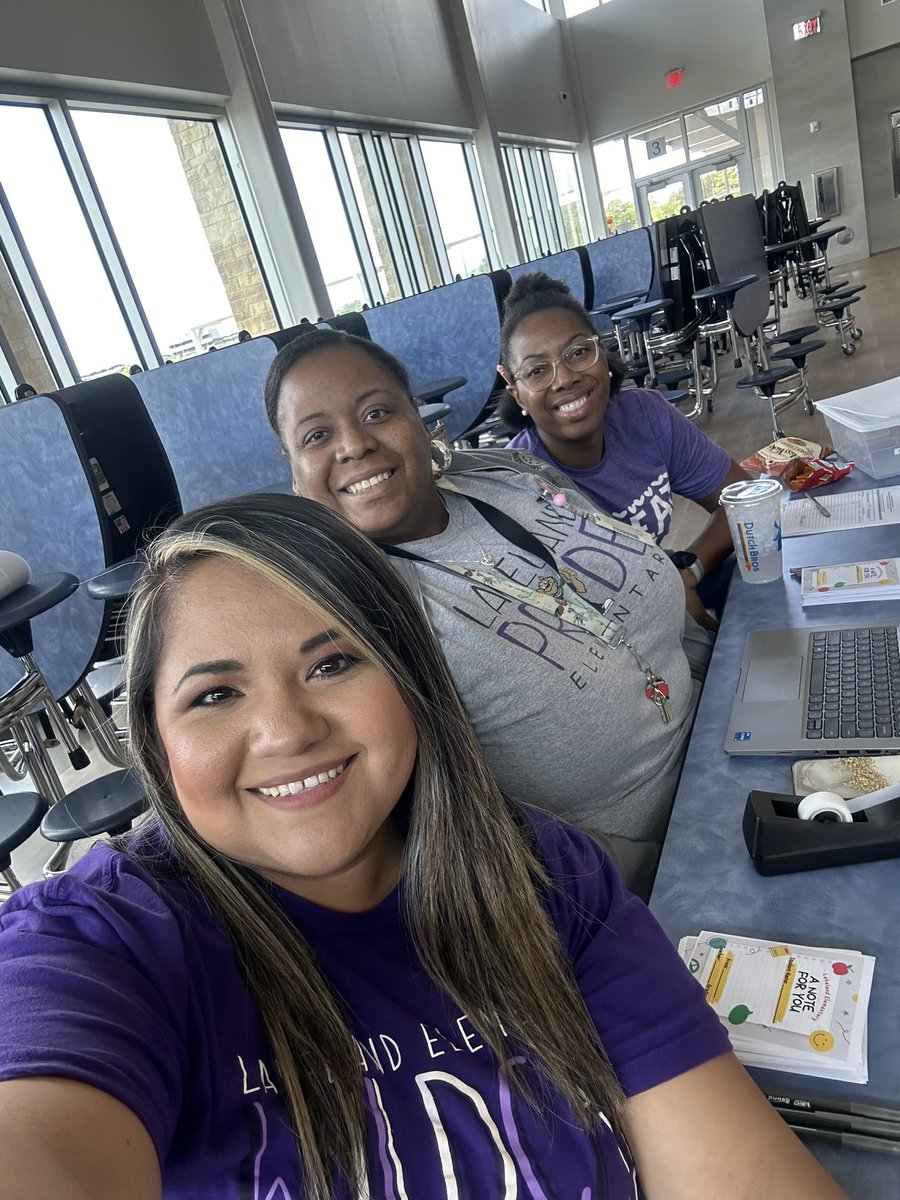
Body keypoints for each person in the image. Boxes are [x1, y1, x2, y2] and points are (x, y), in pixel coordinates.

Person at [0, 493, 849, 1200]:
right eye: (216, 693)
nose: (286, 731)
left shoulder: (543, 875)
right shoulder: (103, 942)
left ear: (409, 677)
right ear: (154, 736)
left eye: (332, 664)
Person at [264, 328, 708, 851]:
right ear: (295, 476)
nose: (355, 444)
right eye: (316, 436)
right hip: (646, 862)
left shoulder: (509, 473)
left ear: (418, 419)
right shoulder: (358, 620)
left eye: (377, 413)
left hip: (719, 724)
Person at [497, 273, 751, 627]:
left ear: (601, 351)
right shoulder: (516, 482)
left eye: (578, 352)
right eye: (537, 370)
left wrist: (685, 574)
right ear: (514, 389)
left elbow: (742, 499)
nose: (565, 378)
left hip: (658, 577)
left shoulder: (644, 415)